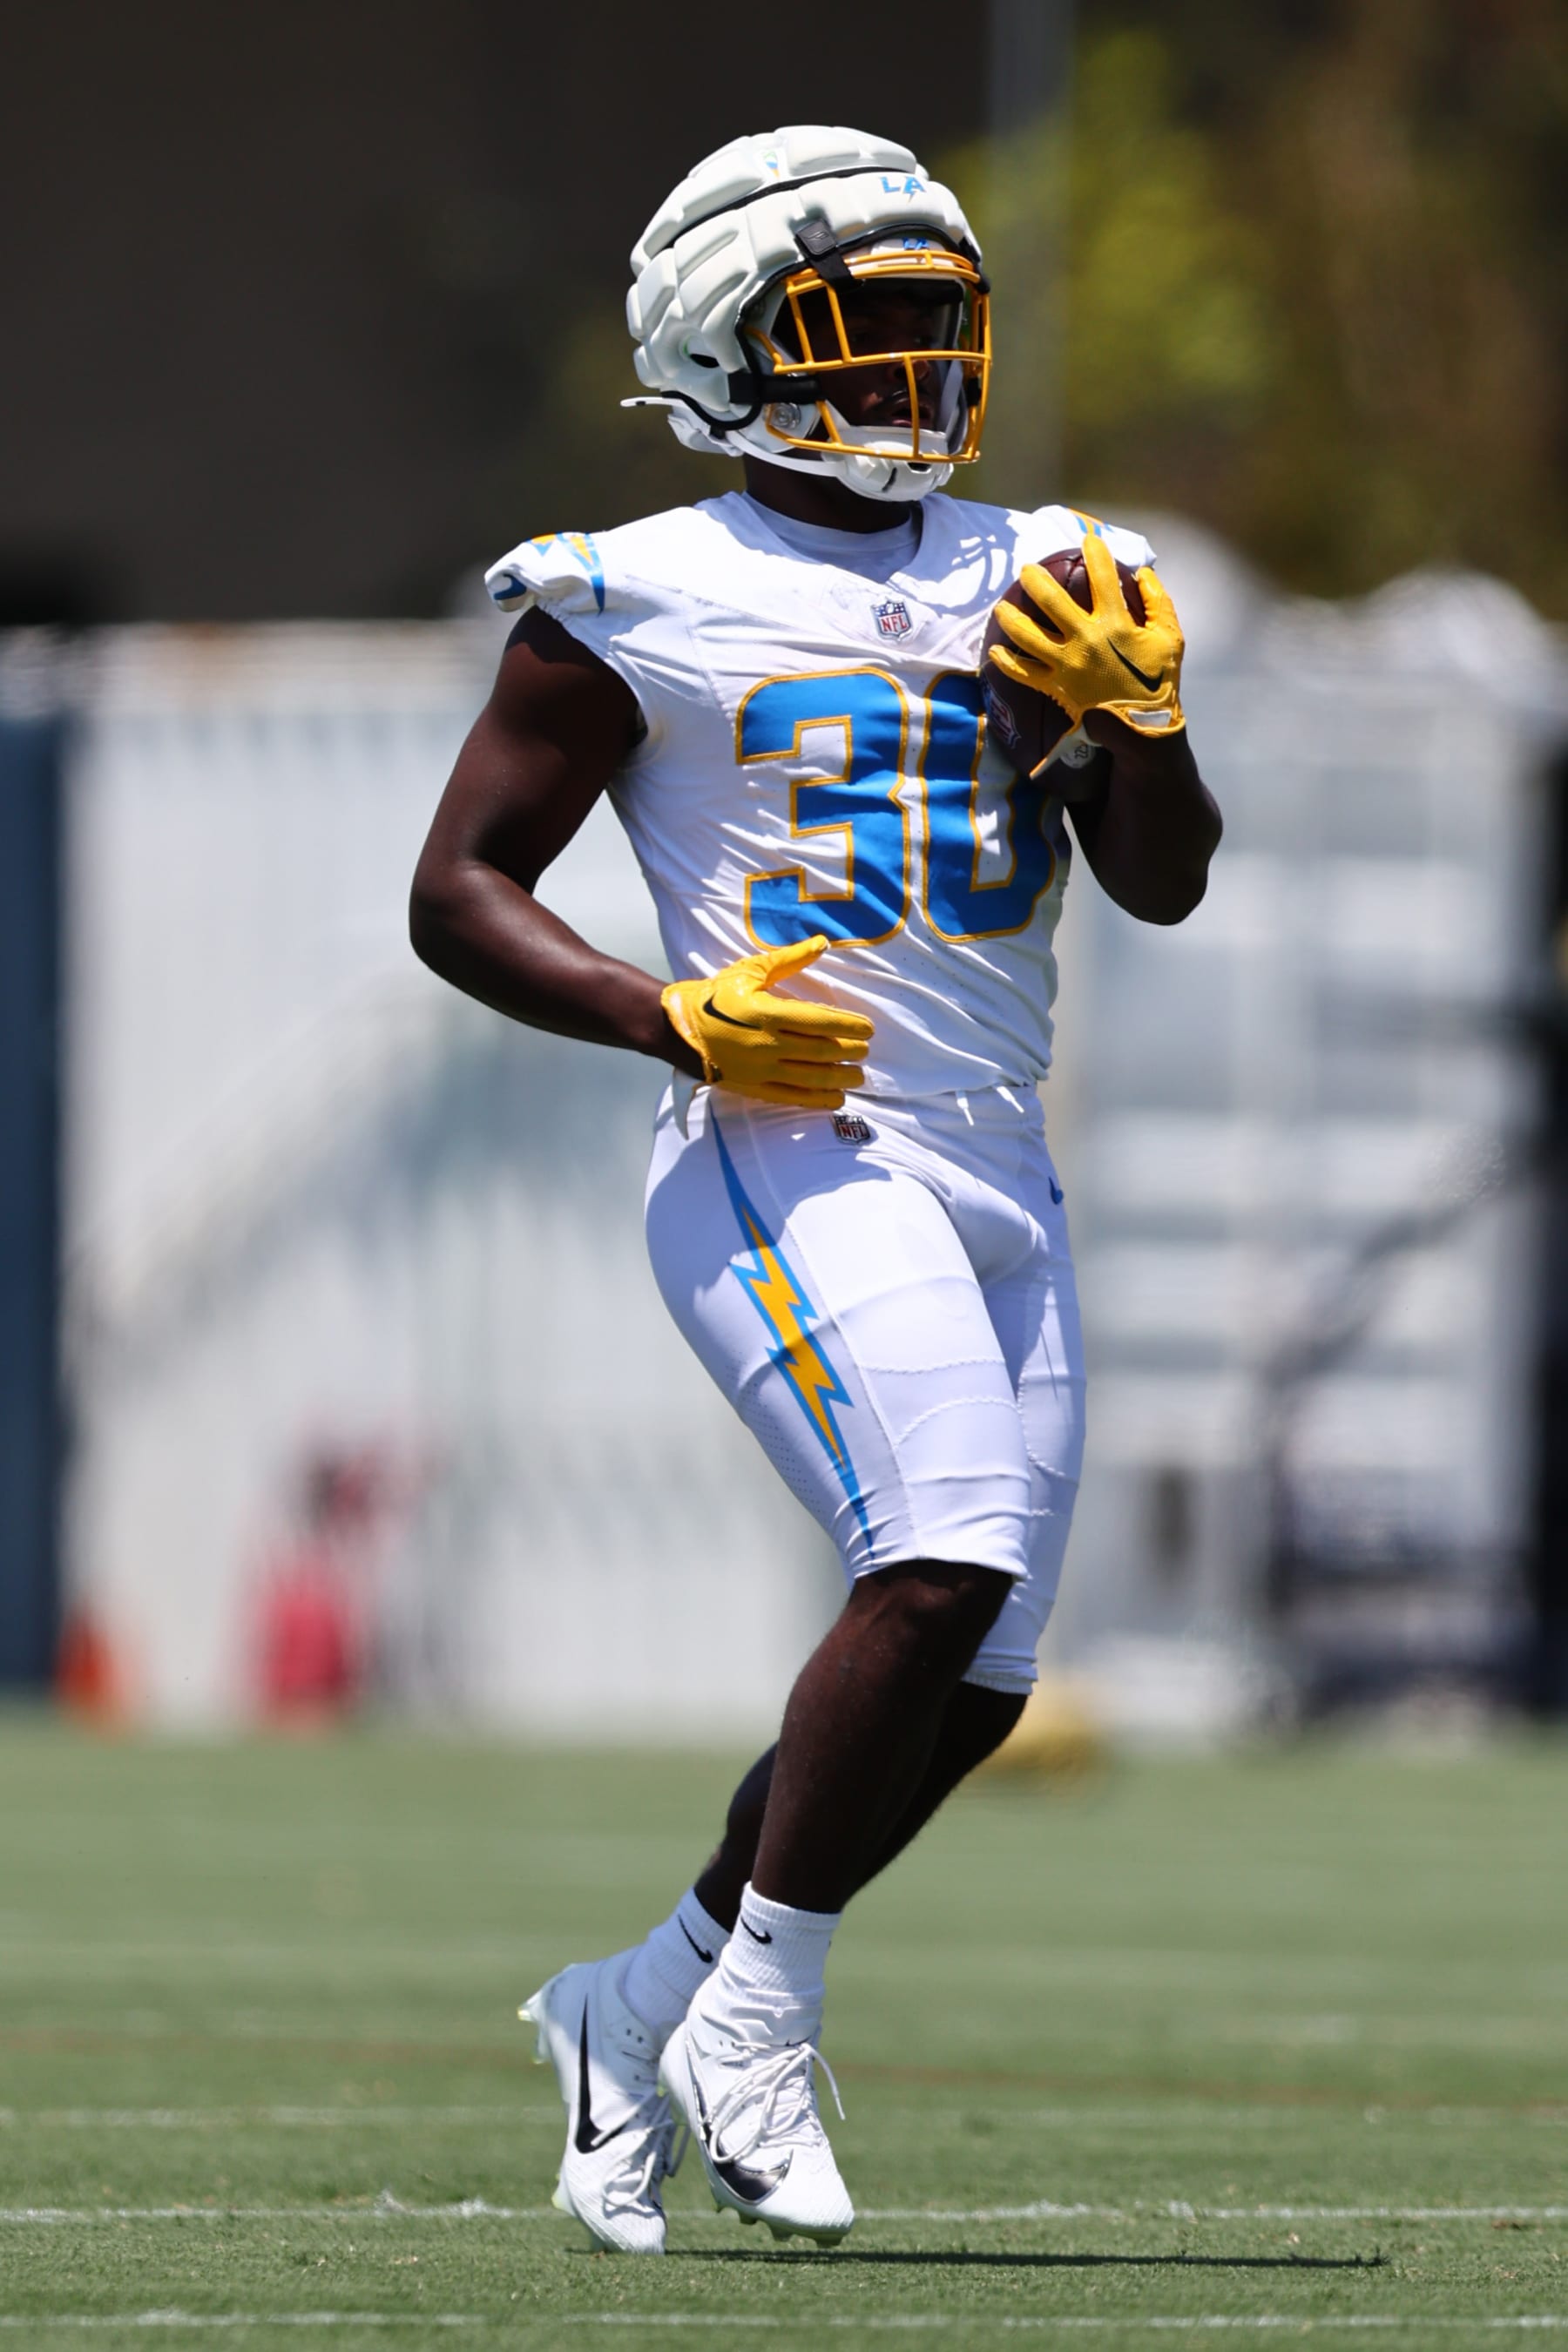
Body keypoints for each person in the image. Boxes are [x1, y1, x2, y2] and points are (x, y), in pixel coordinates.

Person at [409, 124, 1221, 2255]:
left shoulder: (1048, 560)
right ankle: (755, 2023)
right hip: (789, 1140)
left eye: (941, 340)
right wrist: (665, 1015)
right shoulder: (634, 591)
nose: (913, 388)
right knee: (938, 1555)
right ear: (727, 350)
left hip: (995, 1160)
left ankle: (637, 2002)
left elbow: (1163, 880)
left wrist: (1138, 727)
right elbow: (459, 891)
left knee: (979, 1678)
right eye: (862, 344)